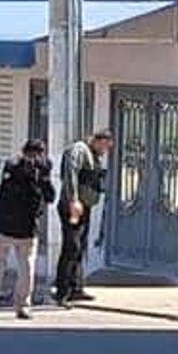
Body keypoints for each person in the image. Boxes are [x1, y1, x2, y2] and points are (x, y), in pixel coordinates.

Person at [0, 139, 56, 320]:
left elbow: (50, 196)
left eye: (38, 155)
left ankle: (23, 306)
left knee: (26, 269)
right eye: (31, 155)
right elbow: (9, 189)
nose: (34, 159)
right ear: (24, 153)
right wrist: (27, 172)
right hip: (3, 225)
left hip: (27, 229)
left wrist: (42, 177)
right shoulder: (12, 165)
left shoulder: (43, 169)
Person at [54, 130, 114, 307]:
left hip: (84, 207)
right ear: (98, 140)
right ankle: (62, 292)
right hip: (72, 207)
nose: (105, 151)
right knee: (71, 246)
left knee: (80, 247)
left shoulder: (93, 155)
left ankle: (76, 287)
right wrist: (73, 200)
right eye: (105, 147)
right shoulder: (79, 150)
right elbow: (70, 174)